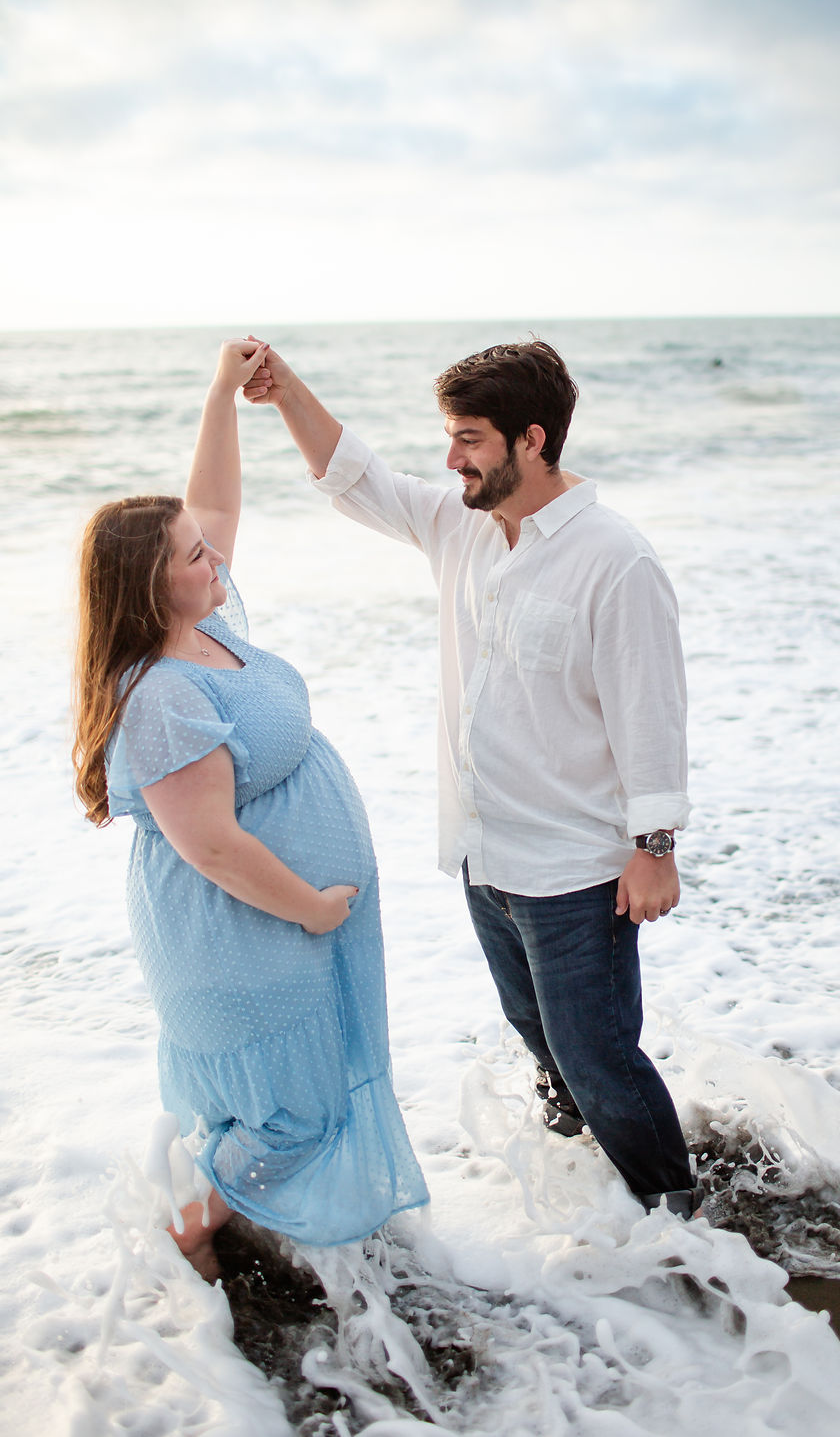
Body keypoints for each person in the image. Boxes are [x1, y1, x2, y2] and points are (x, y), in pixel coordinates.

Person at [244, 339, 701, 1219]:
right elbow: (355, 476)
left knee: (599, 1055)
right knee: (542, 1040)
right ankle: (580, 1180)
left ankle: (679, 1219)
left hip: (576, 865)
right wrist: (285, 388)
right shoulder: (461, 523)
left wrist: (655, 850)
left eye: (469, 440)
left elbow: (652, 713)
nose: (451, 460)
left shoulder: (616, 559)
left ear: (531, 441)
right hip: (482, 854)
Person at [72, 339, 428, 1279]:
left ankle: (211, 1216)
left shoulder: (206, 622)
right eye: (194, 554)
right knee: (290, 1112)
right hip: (242, 926)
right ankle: (182, 1237)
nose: (215, 550)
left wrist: (223, 393)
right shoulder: (158, 695)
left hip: (272, 926)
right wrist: (312, 906)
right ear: (154, 586)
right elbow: (216, 848)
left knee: (281, 1096)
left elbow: (215, 500)